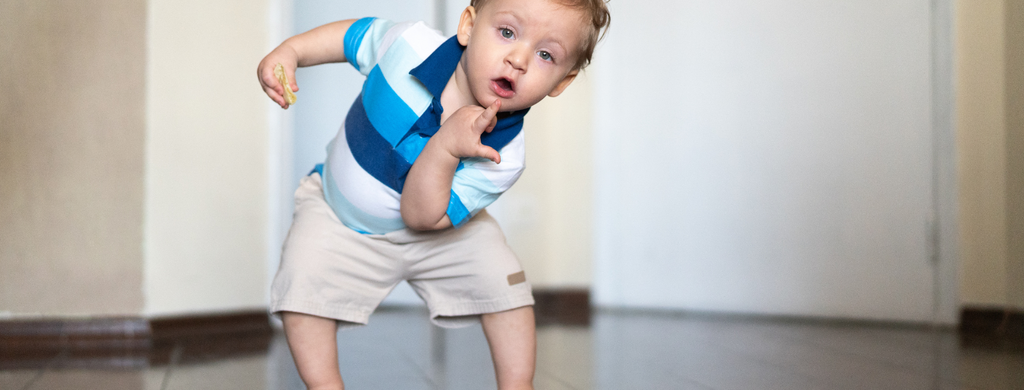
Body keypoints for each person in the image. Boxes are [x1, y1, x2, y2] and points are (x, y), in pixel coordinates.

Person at [256, 0, 609, 388]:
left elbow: (421, 216)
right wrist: (291, 52)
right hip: (340, 218)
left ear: (561, 81)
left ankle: (517, 384)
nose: (519, 59)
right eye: (507, 32)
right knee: (301, 285)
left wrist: (445, 147)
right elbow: (351, 36)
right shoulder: (409, 46)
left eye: (546, 54)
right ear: (469, 26)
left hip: (437, 231)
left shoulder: (504, 155)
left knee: (504, 283)